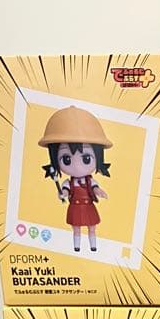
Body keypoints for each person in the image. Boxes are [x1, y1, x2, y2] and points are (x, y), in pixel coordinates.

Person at [39, 105, 111, 252]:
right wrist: (63, 194)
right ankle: (76, 247)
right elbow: (65, 191)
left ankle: (93, 246)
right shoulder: (68, 182)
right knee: (76, 228)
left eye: (86, 159)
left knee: (92, 227)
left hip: (88, 205)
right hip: (75, 206)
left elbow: (95, 188)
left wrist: (99, 191)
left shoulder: (90, 181)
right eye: (66, 159)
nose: (77, 166)